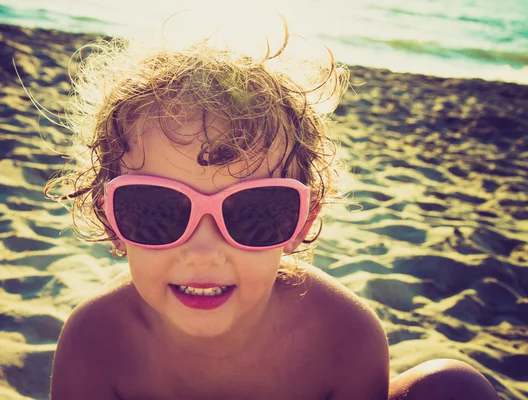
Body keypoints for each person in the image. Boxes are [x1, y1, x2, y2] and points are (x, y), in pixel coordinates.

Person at [46, 17, 499, 400]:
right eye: (157, 209)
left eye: (255, 213)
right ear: (109, 215)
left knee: (454, 387)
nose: (204, 253)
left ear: (304, 220)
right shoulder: (94, 342)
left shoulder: (343, 336)